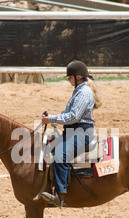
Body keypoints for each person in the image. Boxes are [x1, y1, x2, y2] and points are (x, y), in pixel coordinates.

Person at [41, 60, 102, 207]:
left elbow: (73, 117)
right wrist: (54, 117)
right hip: (74, 130)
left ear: (78, 76)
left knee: (59, 156)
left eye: (70, 77)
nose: (68, 79)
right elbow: (68, 114)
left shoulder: (84, 92)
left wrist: (51, 119)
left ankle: (59, 195)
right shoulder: (79, 90)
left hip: (81, 131)